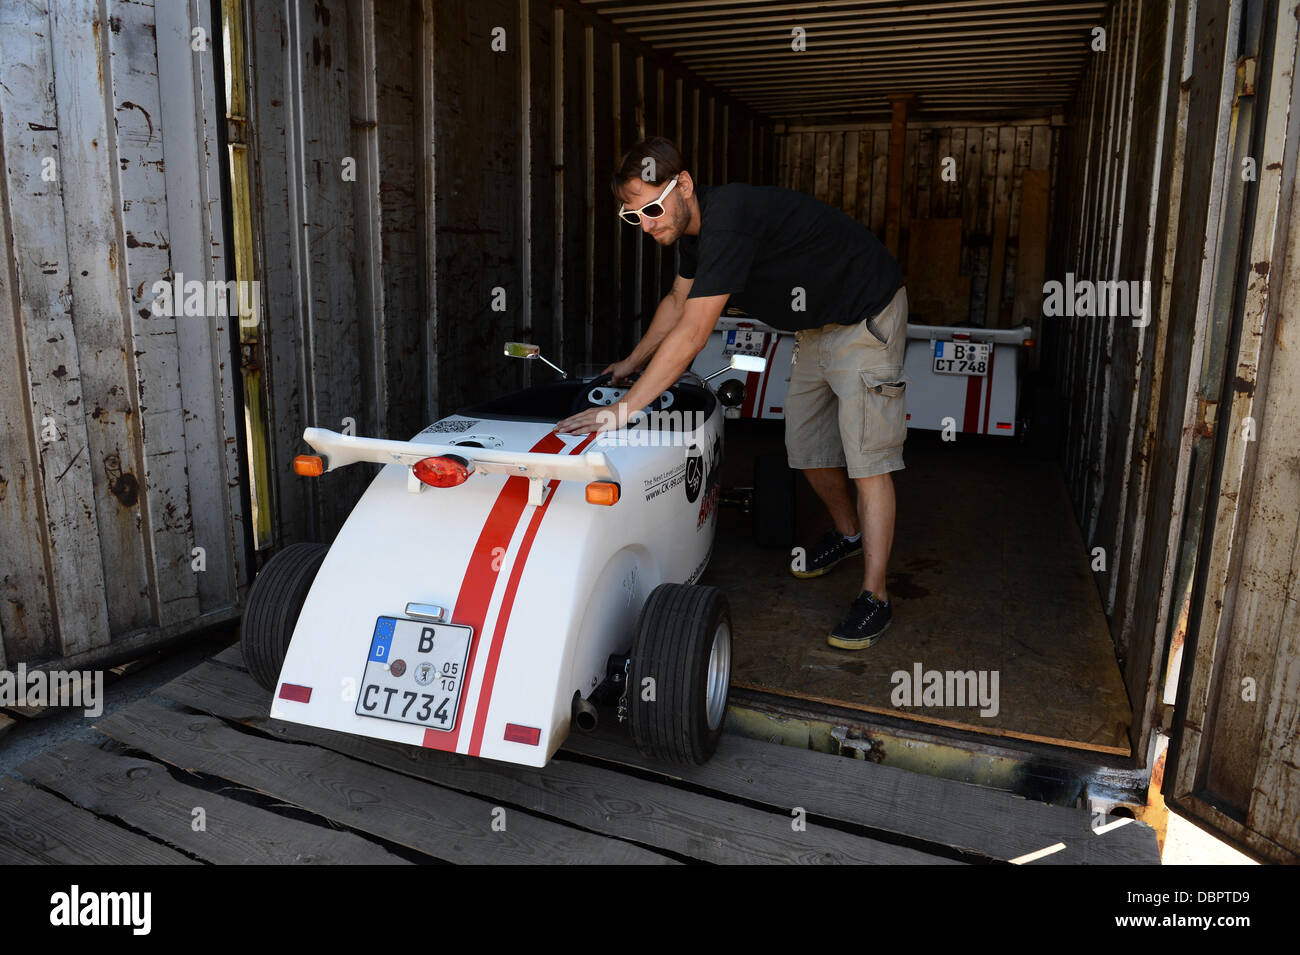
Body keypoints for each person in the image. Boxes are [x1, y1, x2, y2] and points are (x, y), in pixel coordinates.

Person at [556, 137, 908, 649]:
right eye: (634, 218)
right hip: (815, 327)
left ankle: (875, 597)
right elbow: (678, 302)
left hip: (865, 313)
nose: (648, 225)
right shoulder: (694, 237)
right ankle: (848, 536)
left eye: (652, 209)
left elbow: (694, 334)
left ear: (685, 186)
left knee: (868, 462)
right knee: (806, 450)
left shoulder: (732, 218)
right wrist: (629, 365)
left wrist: (623, 411)